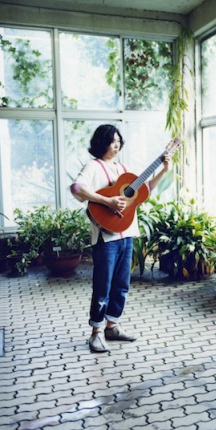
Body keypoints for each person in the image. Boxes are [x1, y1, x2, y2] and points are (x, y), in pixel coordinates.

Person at [70, 124, 171, 353]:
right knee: (103, 285)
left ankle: (112, 326)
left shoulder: (123, 169)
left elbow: (145, 190)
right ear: (101, 142)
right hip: (106, 237)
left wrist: (164, 170)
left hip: (127, 234)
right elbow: (76, 188)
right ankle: (96, 332)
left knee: (121, 285)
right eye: (112, 141)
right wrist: (107, 201)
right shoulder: (93, 167)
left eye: (118, 141)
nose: (116, 145)